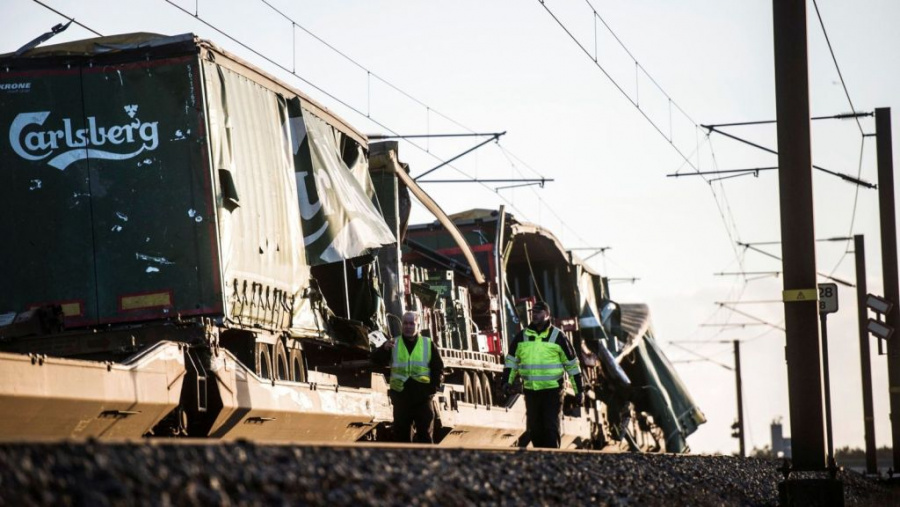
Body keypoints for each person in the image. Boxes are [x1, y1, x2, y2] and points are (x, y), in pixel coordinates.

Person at [501, 301, 583, 448]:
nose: (534, 315)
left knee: (550, 427)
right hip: (531, 391)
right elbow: (511, 362)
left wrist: (579, 391)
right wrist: (506, 382)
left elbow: (572, 366)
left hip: (553, 391)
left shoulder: (559, 337)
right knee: (535, 429)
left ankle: (552, 458)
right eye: (533, 312)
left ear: (547, 315)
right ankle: (540, 457)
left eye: (538, 312)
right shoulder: (522, 336)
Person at [372, 311, 444, 443]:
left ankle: (425, 461)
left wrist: (431, 390)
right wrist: (384, 349)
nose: (408, 326)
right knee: (402, 436)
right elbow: (377, 361)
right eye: (405, 323)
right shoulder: (393, 343)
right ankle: (404, 462)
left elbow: (438, 369)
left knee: (425, 435)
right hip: (401, 396)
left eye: (412, 323)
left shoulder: (428, 344)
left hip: (422, 397)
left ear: (418, 325)